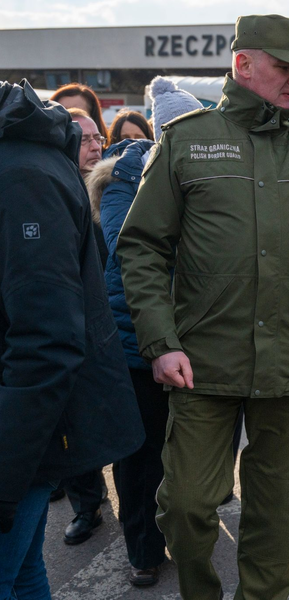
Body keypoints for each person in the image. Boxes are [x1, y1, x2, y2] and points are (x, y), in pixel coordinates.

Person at [116, 15, 289, 600]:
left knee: (276, 516)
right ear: (244, 64)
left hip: (288, 364)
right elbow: (141, 247)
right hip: (201, 362)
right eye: (285, 66)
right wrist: (160, 341)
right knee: (187, 507)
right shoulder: (188, 140)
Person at [0, 79, 144, 600]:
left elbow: (46, 342)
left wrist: (7, 474)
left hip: (21, 433)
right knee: (21, 574)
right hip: (25, 427)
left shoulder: (21, 174)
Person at [85, 76, 202, 587]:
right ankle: (143, 550)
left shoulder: (206, 173)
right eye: (174, 126)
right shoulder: (122, 177)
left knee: (188, 453)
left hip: (196, 339)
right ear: (159, 130)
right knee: (140, 456)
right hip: (136, 343)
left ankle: (184, 532)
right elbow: (130, 246)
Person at [55, 106, 116, 546]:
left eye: (98, 138)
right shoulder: (53, 188)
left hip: (117, 319)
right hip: (73, 322)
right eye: (84, 140)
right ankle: (86, 504)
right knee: (74, 419)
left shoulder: (116, 186)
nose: (95, 146)